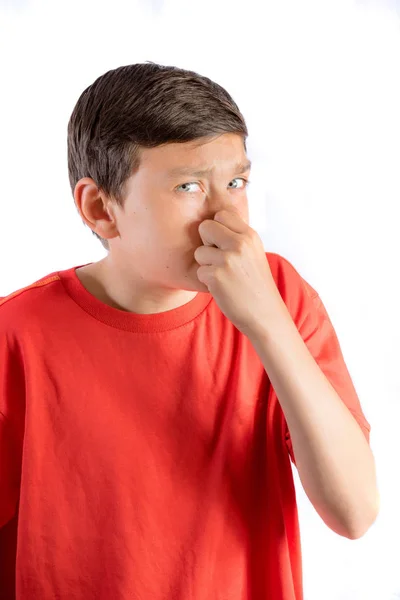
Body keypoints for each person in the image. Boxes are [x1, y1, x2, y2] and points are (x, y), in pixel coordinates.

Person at [0, 62, 379, 600]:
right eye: (188, 186)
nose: (228, 217)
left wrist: (266, 323)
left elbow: (355, 511)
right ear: (100, 209)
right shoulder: (15, 337)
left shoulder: (282, 299)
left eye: (236, 182)